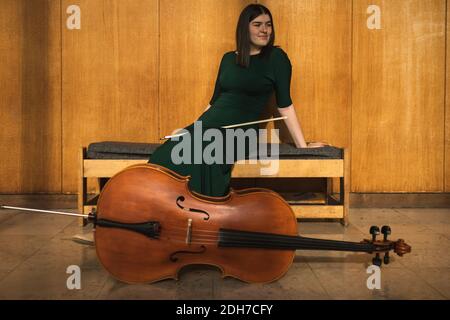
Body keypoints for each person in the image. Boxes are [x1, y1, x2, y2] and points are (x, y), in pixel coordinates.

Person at [149, 4, 327, 197]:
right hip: (210, 124)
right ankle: (162, 208)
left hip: (240, 132)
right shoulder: (227, 59)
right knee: (166, 154)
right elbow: (214, 102)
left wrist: (303, 147)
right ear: (245, 28)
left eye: (268, 25)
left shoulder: (277, 58)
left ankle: (201, 209)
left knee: (208, 154)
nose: (264, 30)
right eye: (257, 24)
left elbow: (285, 105)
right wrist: (191, 128)